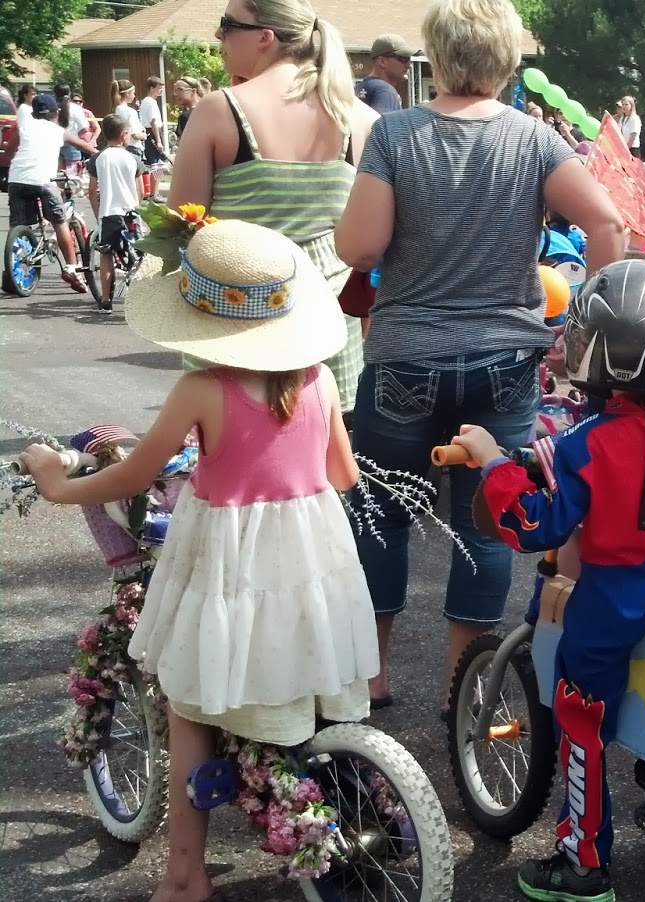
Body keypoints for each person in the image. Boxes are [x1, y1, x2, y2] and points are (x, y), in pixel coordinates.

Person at [19, 219, 378, 902]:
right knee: (300, 678)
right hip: (309, 559)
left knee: (191, 699)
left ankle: (186, 875)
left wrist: (58, 483)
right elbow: (343, 474)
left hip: (226, 559)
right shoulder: (321, 382)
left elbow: (132, 476)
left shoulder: (201, 389)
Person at [336, 0, 626, 708]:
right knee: (485, 521)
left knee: (383, 511)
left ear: (436, 55)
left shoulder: (396, 136)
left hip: (406, 356)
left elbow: (360, 248)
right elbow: (608, 222)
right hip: (503, 364)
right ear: (505, 59)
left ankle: (372, 677)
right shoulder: (535, 142)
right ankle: (464, 690)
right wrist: (579, 327)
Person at [448, 259, 645, 902]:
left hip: (608, 597)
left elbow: (536, 526)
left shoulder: (581, 443)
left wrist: (491, 465)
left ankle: (583, 863)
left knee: (582, 721)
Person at [169, 0, 379, 422]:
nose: (218, 36)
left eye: (227, 25)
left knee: (233, 462)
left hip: (235, 317)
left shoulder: (220, 109)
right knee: (323, 465)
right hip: (326, 321)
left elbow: (181, 221)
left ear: (265, 37)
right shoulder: (358, 116)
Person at [3, 93, 97, 292]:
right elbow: (83, 146)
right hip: (43, 181)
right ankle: (72, 267)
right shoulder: (57, 131)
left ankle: (12, 269)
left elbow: (10, 152)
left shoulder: (25, 126)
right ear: (56, 113)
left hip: (17, 180)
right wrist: (103, 155)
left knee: (19, 225)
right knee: (59, 220)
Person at [86, 115, 143, 309]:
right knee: (137, 249)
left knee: (106, 254)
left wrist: (97, 211)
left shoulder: (97, 158)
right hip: (131, 211)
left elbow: (92, 190)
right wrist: (139, 206)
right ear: (124, 135)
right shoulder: (133, 158)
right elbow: (141, 189)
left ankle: (106, 301)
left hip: (109, 212)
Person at [357, 33, 414, 114]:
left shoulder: (359, 88)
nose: (409, 65)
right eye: (403, 58)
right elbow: (384, 126)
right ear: (382, 61)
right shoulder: (385, 91)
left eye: (409, 59)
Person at [54, 83, 96, 177]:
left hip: (54, 144)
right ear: (69, 93)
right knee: (72, 177)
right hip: (72, 144)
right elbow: (84, 128)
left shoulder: (51, 107)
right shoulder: (76, 108)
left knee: (56, 176)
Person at [139, 76, 167, 165]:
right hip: (153, 133)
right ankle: (155, 179)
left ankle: (154, 179)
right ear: (151, 88)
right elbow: (153, 122)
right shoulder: (151, 102)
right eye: (159, 88)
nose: (161, 90)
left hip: (149, 133)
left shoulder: (145, 101)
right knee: (157, 164)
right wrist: (158, 141)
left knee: (153, 163)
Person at [171, 77, 203, 144]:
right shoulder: (209, 110)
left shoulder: (185, 116)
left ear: (193, 91)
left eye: (180, 90)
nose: (176, 94)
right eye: (175, 90)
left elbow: (183, 145)